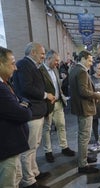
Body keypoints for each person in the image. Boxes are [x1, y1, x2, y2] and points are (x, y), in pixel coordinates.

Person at [13, 42, 55, 188]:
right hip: (32, 113)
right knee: (29, 149)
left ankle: (34, 172)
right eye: (42, 53)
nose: (44, 56)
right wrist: (46, 95)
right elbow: (27, 88)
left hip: (37, 112)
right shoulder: (24, 65)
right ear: (33, 52)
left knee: (35, 146)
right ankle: (28, 180)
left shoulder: (31, 65)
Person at [69, 50, 100, 174]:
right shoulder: (81, 71)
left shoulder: (74, 69)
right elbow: (83, 91)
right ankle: (82, 165)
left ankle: (83, 158)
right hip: (85, 108)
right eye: (90, 60)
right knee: (84, 137)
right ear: (83, 59)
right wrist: (98, 95)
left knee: (82, 135)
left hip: (80, 107)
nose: (91, 63)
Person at [0, 46, 32, 188]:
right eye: (12, 63)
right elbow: (22, 113)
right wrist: (24, 106)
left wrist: (23, 104)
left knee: (16, 178)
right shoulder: (1, 89)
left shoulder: (5, 84)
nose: (15, 68)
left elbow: (21, 101)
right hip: (7, 149)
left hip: (11, 148)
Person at [39, 50, 75, 163]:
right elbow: (39, 89)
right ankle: (48, 151)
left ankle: (64, 147)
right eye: (56, 60)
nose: (57, 63)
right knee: (47, 128)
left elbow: (55, 84)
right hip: (48, 104)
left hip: (58, 102)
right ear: (48, 59)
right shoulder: (40, 71)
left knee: (61, 125)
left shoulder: (55, 69)